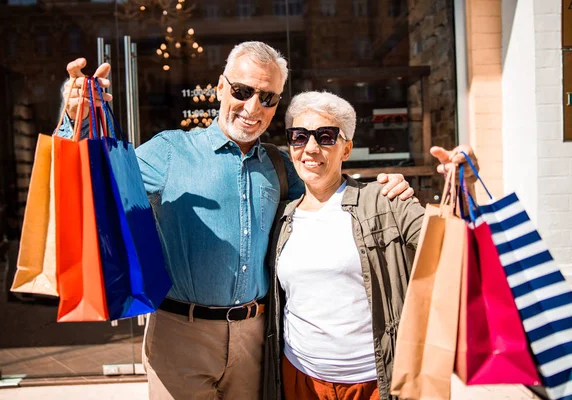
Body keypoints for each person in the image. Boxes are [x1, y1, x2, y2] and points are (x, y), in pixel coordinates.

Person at [58, 42, 414, 399]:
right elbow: (93, 186)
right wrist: (76, 120)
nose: (252, 107)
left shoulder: (280, 165)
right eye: (242, 91)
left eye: (268, 98)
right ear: (220, 87)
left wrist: (381, 188)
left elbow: (327, 183)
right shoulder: (170, 151)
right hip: (181, 334)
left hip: (256, 339)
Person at [264, 91, 479, 400]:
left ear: (346, 149)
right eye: (299, 137)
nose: (311, 148)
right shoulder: (281, 217)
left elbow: (456, 251)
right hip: (300, 378)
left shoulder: (386, 202)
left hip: (375, 381)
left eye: (325, 136)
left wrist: (463, 187)